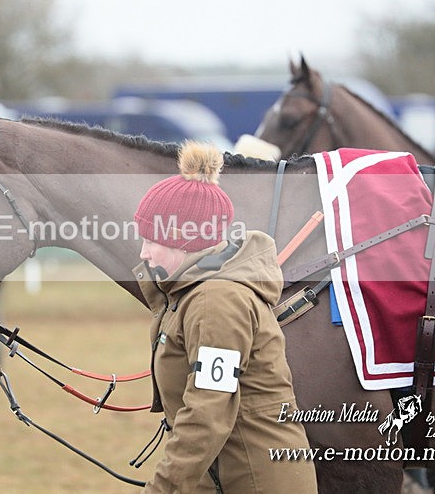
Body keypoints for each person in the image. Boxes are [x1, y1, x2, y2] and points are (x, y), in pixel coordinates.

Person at [131, 141, 317, 492]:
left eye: (151, 239)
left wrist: (162, 489)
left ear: (183, 240)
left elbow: (207, 411)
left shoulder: (216, 300)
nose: (143, 252)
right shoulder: (192, 293)